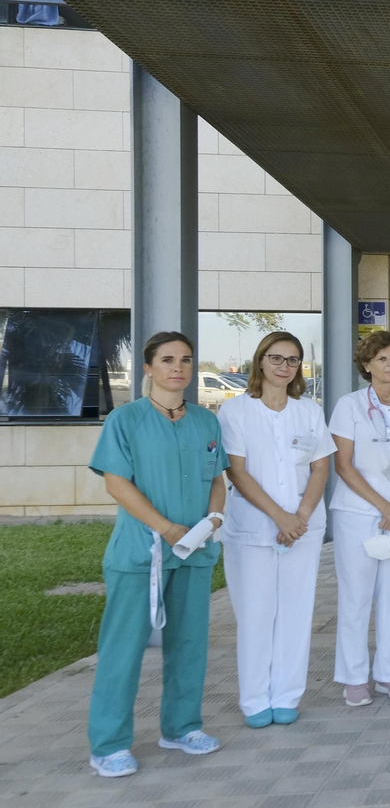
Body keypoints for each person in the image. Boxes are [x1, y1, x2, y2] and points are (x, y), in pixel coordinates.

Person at [86, 332, 227, 777]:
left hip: (193, 552)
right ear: (148, 368)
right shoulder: (125, 420)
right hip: (140, 553)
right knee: (123, 649)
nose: (178, 367)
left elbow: (217, 478)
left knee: (190, 644)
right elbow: (116, 483)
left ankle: (182, 727)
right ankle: (109, 745)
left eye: (185, 359)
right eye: (167, 360)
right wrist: (165, 528)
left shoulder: (205, 422)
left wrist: (215, 519)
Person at [217, 330, 334, 727]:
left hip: (303, 529)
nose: (285, 366)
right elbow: (237, 471)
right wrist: (280, 517)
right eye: (276, 358)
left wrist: (300, 515)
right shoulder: (235, 411)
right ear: (260, 361)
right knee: (255, 614)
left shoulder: (309, 411)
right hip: (253, 529)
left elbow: (321, 467)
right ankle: (254, 700)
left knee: (296, 614)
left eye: (293, 360)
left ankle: (286, 695)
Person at [329, 330, 390, 707]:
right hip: (359, 513)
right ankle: (353, 677)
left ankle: (389, 674)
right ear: (366, 365)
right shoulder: (349, 406)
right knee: (356, 596)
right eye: (382, 358)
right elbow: (343, 465)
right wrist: (385, 506)